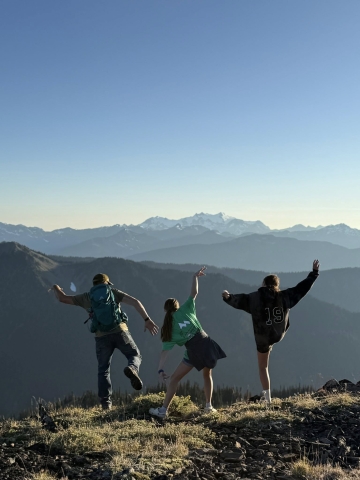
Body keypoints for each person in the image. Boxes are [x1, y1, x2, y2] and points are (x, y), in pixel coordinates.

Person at [51, 273, 158, 410]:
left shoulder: (87, 297)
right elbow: (136, 302)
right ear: (107, 283)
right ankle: (132, 367)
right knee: (134, 355)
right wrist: (147, 320)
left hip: (101, 337)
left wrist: (55, 288)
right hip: (120, 331)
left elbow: (63, 298)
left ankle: (106, 404)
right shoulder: (113, 292)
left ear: (94, 285)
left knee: (103, 370)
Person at [222, 259, 320, 405]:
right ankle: (267, 398)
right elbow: (302, 288)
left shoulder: (254, 298)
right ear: (277, 285)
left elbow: (238, 301)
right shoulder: (285, 297)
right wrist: (314, 273)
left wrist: (227, 297)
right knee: (269, 350)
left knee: (263, 367)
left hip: (262, 337)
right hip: (278, 334)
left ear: (263, 284)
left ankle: (268, 400)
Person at [149, 267, 226, 419]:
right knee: (207, 374)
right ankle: (209, 406)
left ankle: (163, 411)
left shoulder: (168, 328)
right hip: (206, 342)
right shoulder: (186, 308)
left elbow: (165, 351)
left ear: (166, 310)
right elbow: (194, 293)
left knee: (174, 380)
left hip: (193, 351)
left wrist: (160, 370)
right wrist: (195, 277)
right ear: (177, 306)